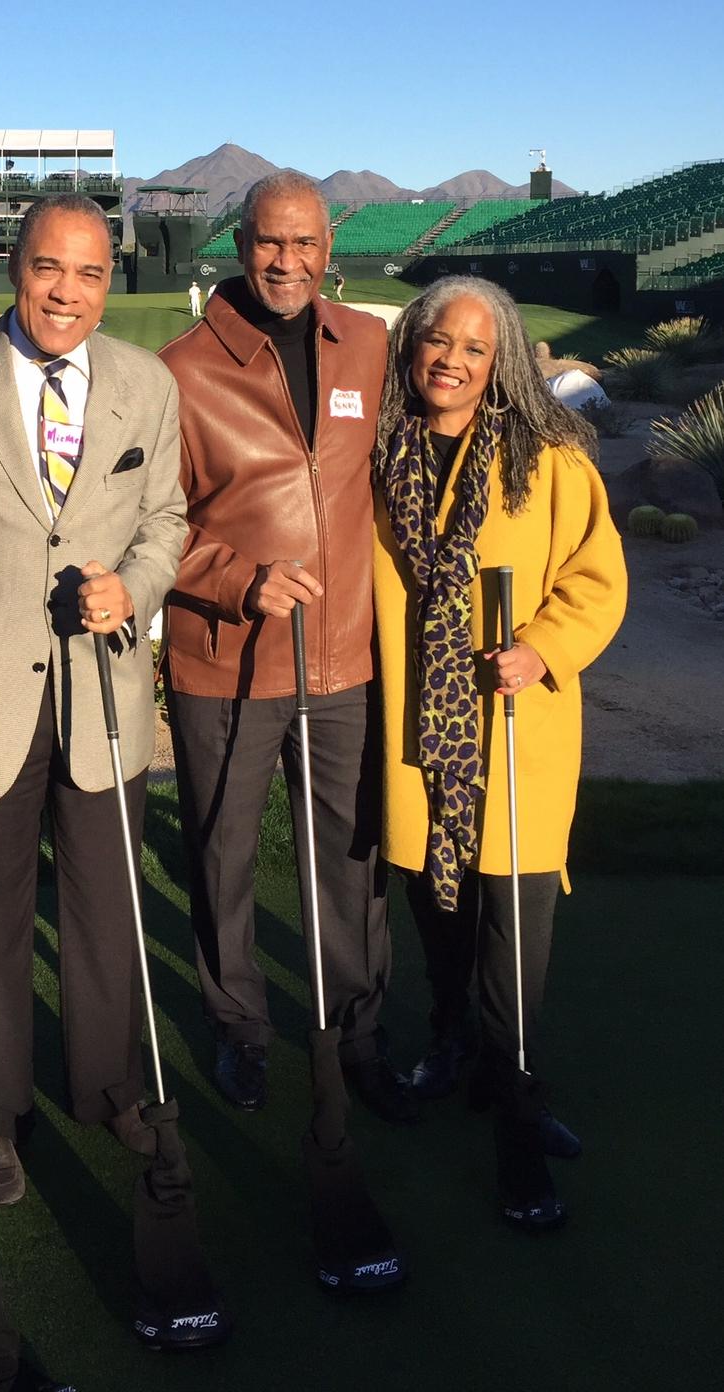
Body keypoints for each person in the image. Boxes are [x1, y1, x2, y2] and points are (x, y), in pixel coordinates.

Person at [0, 194, 186, 1204]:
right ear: (17, 266)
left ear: (109, 283)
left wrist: (133, 589)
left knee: (108, 914)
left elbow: (168, 521)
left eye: (90, 273)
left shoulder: (146, 384)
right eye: (49, 267)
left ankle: (109, 1088)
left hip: (104, 697)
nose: (67, 292)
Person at [373, 275, 627, 1229]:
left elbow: (597, 577)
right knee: (438, 913)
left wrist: (544, 646)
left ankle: (516, 1092)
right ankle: (453, 1043)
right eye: (438, 340)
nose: (451, 360)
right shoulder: (380, 454)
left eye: (475, 348)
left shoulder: (549, 456)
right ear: (412, 344)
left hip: (516, 729)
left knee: (512, 936)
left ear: (502, 361)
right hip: (421, 736)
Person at [158, 172, 410, 1125]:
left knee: (351, 862)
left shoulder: (370, 345)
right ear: (239, 244)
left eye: (305, 243)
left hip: (345, 657)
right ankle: (241, 1028)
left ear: (329, 248)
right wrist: (236, 578)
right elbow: (147, 522)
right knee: (222, 856)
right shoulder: (182, 369)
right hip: (226, 658)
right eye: (270, 241)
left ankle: (358, 1035)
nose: (287, 261)